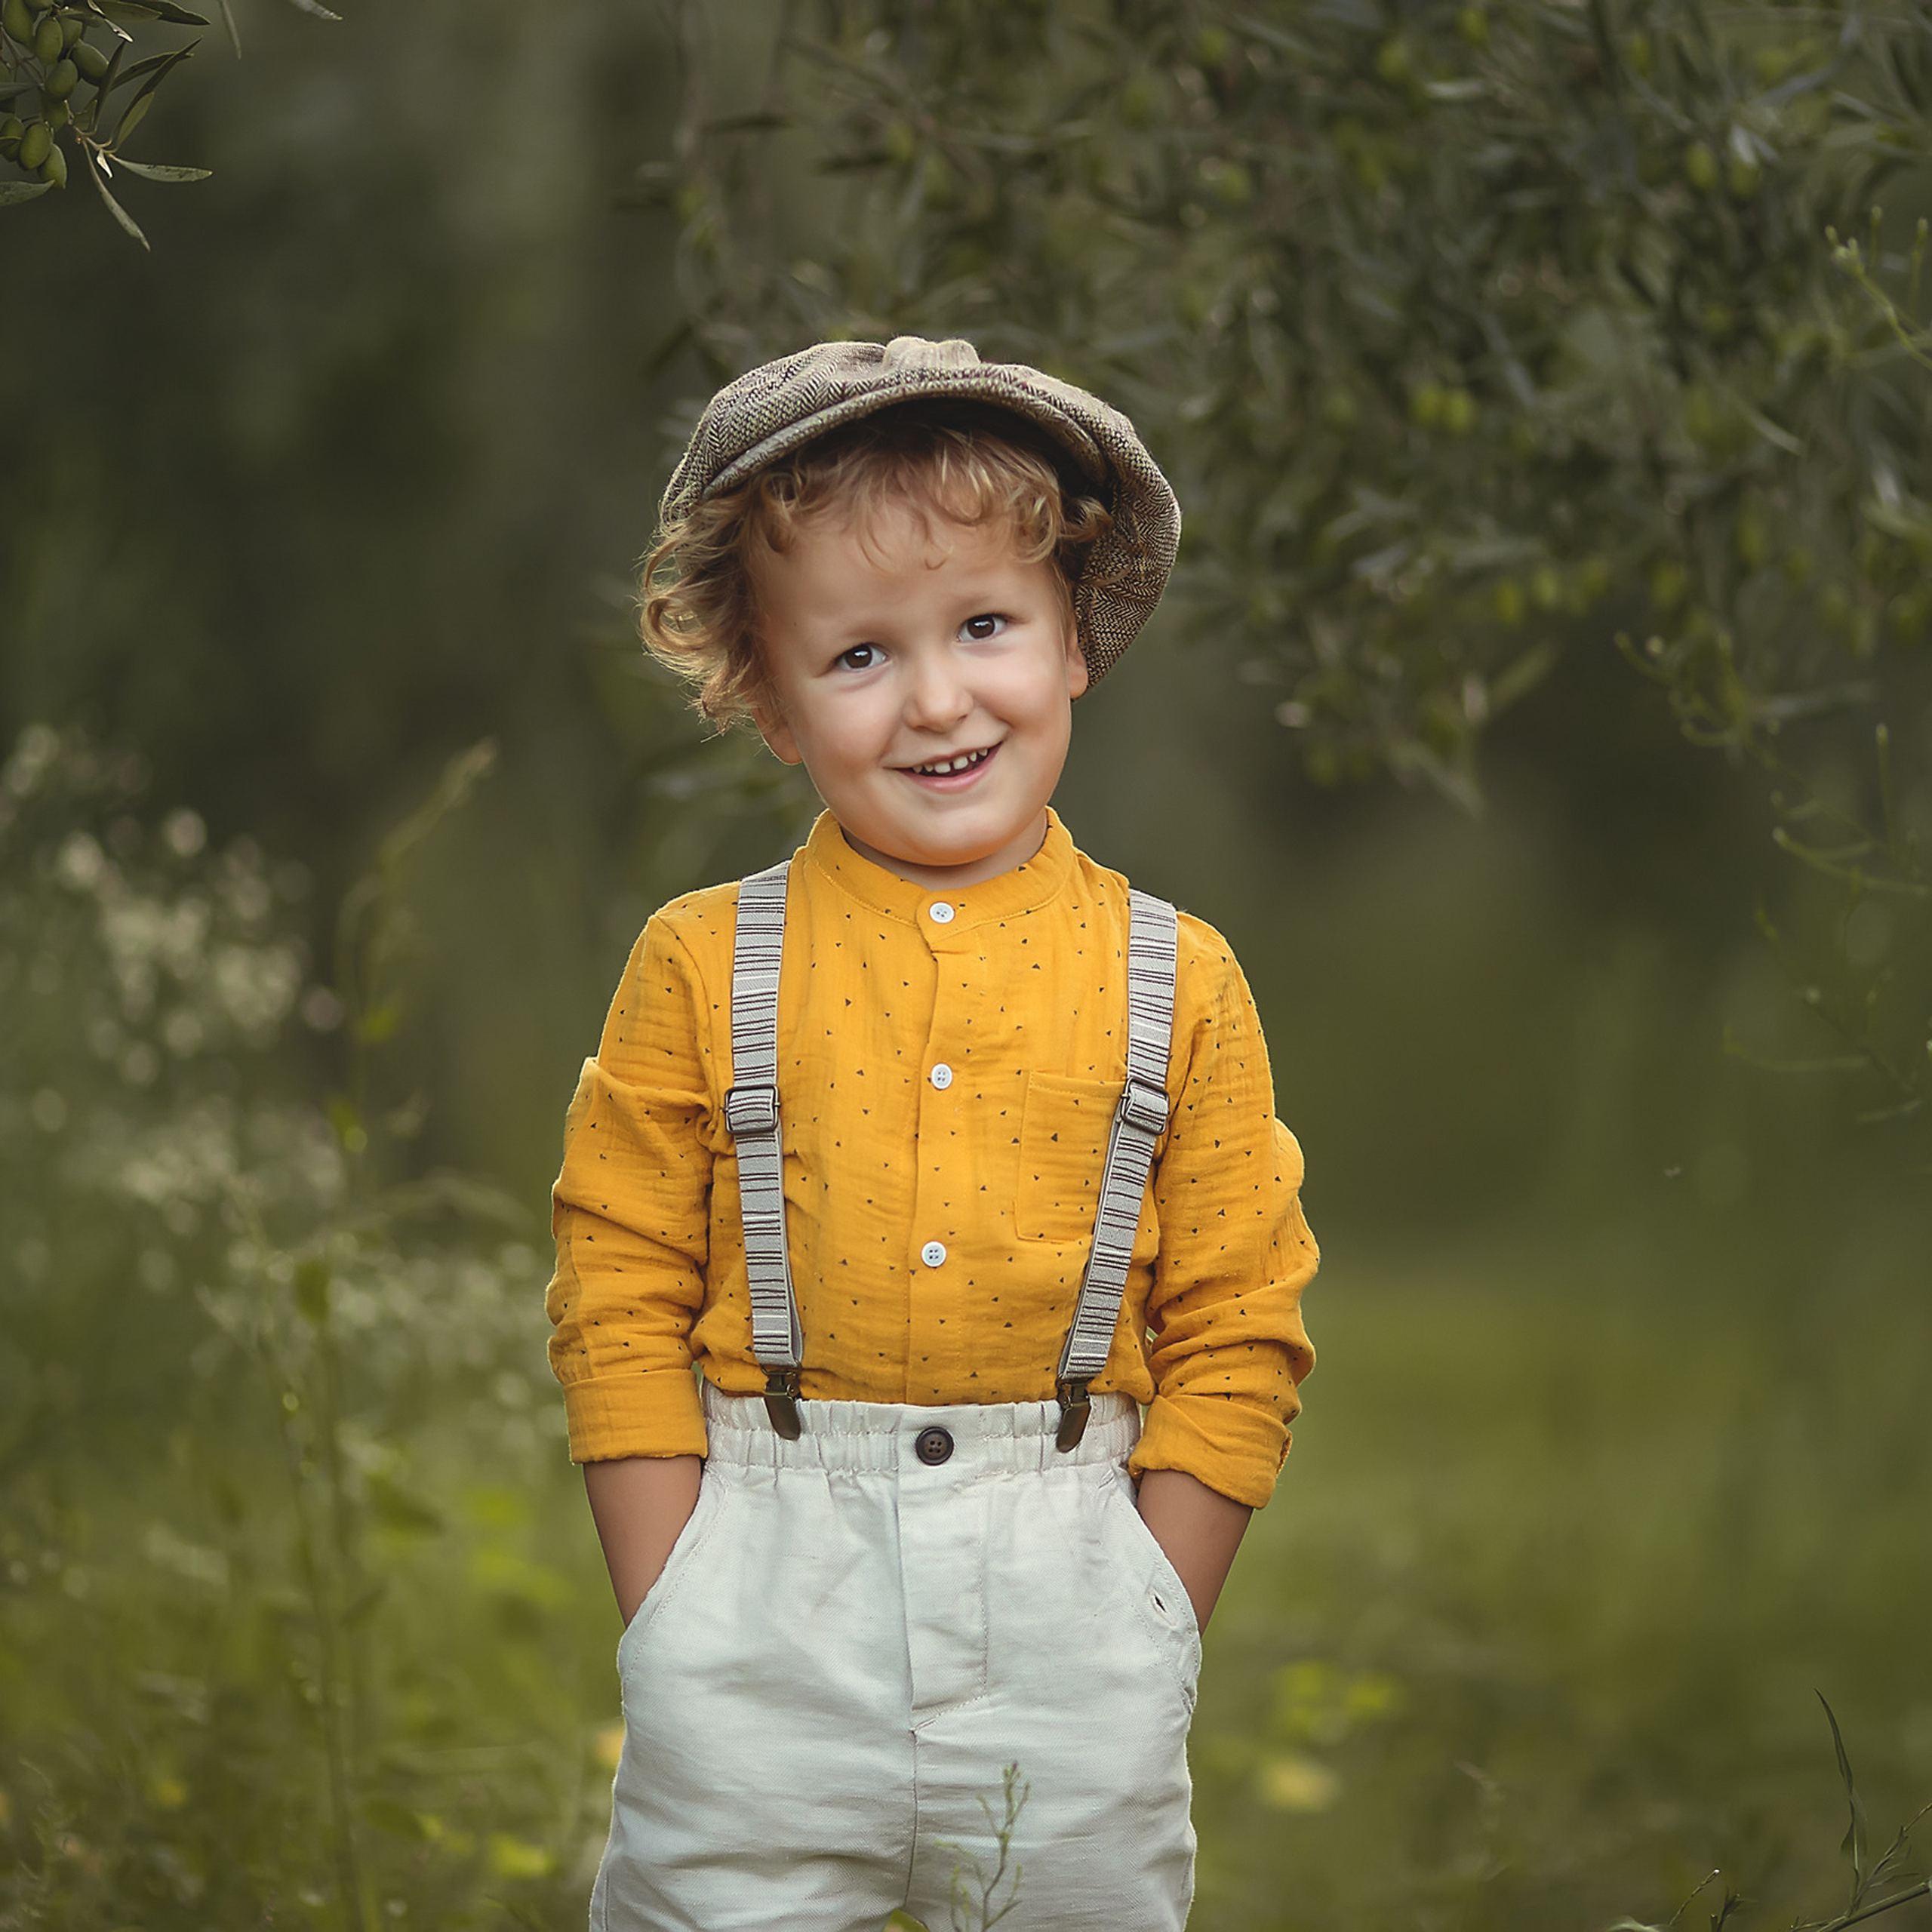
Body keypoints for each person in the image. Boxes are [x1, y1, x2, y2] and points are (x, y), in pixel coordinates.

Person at [545, 335, 1318, 1932]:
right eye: (858, 656)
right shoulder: (700, 961)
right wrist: (667, 1601)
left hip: (1074, 1602)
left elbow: (1240, 1319)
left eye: (982, 625)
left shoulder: (1179, 979)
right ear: (768, 694)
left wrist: (1154, 1610)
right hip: (755, 1606)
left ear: (1073, 633)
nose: (938, 698)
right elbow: (614, 1285)